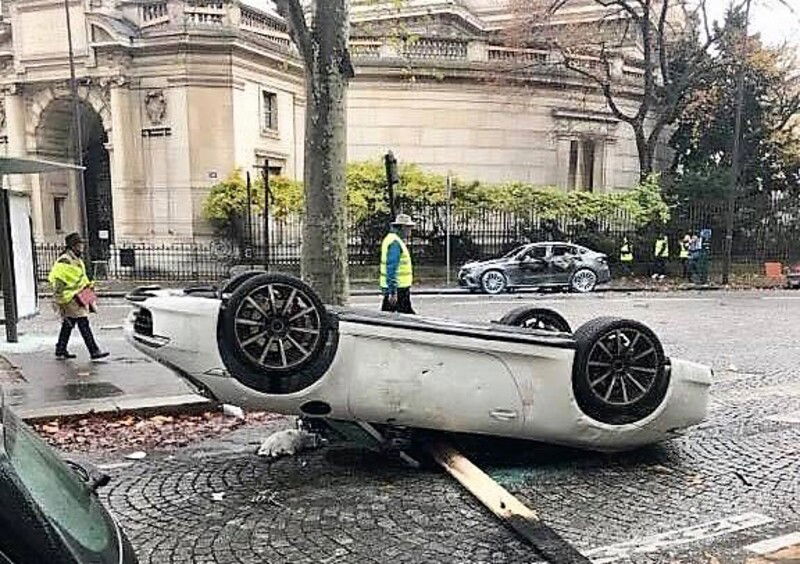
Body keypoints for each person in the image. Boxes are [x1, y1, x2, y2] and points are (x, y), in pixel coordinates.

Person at [48, 233, 109, 361]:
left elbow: (80, 278)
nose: (82, 247)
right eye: (79, 244)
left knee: (68, 324)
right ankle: (94, 351)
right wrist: (59, 301)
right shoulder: (65, 260)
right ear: (73, 246)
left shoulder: (77, 260)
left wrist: (89, 287)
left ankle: (60, 349)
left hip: (79, 295)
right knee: (83, 323)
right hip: (69, 297)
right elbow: (59, 280)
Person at [380, 214, 416, 314]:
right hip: (399, 288)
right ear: (403, 227)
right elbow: (391, 267)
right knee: (408, 317)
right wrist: (392, 291)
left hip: (397, 288)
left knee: (386, 316)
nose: (410, 231)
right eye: (409, 228)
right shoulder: (395, 243)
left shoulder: (392, 239)